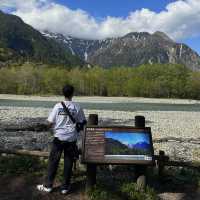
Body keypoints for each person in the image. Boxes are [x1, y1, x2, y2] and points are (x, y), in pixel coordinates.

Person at [37, 84, 86, 194]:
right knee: (68, 163)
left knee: (53, 161)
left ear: (63, 93)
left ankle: (48, 186)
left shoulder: (57, 106)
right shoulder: (77, 107)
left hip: (59, 138)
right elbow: (83, 122)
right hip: (71, 139)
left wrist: (43, 127)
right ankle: (64, 188)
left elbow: (50, 122)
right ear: (72, 93)